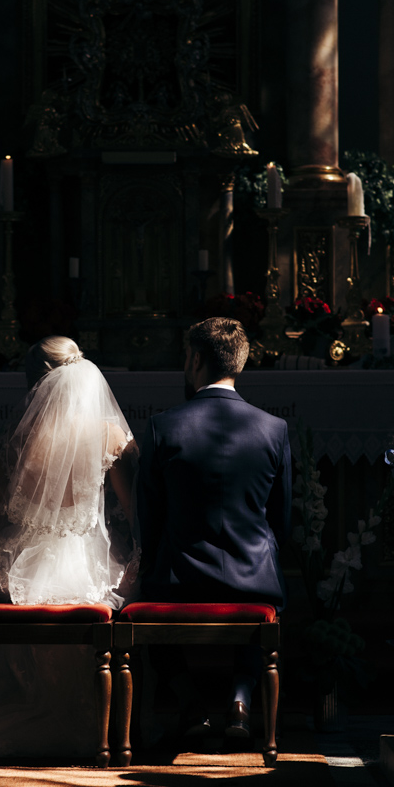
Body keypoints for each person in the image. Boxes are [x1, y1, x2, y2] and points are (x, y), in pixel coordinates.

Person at [0, 336, 139, 758]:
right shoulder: (109, 433)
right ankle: (112, 727)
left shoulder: (17, 436)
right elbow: (133, 511)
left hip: (22, 563)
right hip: (89, 564)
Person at [137, 316, 291, 743]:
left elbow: (149, 518)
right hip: (254, 578)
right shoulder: (274, 429)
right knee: (265, 601)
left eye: (187, 357)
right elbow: (281, 519)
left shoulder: (162, 426)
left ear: (197, 359)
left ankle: (191, 704)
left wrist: (152, 565)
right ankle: (240, 700)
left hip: (179, 579)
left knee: (142, 602)